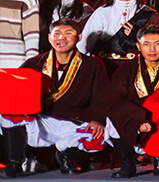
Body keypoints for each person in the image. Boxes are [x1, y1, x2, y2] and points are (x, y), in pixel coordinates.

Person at [3, 20, 108, 176]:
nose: (61, 38)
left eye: (68, 33)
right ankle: (14, 164)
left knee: (102, 135)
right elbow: (16, 91)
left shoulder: (93, 64)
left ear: (79, 37)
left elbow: (102, 95)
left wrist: (98, 118)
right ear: (49, 37)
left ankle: (67, 155)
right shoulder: (34, 63)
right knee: (8, 114)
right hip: (41, 120)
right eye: (57, 34)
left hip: (73, 121)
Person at [98, 25, 159, 177]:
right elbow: (113, 98)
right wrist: (137, 117)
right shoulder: (126, 70)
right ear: (138, 46)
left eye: (158, 44)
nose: (152, 49)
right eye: (146, 44)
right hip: (136, 117)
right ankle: (128, 164)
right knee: (113, 118)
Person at [80, 0, 159, 63]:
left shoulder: (149, 14)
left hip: (139, 66)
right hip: (106, 66)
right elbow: (84, 45)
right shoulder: (102, 12)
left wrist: (138, 36)